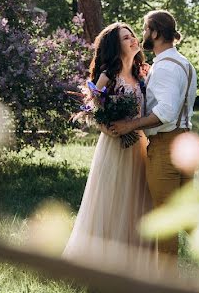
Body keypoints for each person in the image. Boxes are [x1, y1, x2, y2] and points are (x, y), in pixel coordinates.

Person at [61, 22, 157, 272]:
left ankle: (133, 263)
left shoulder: (142, 74)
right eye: (126, 38)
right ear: (117, 46)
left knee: (137, 199)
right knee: (112, 200)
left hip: (139, 145)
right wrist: (108, 128)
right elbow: (91, 109)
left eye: (133, 35)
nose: (133, 40)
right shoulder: (108, 75)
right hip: (114, 147)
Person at [107, 10, 197, 266]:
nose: (142, 34)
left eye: (146, 29)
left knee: (166, 217)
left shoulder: (166, 67)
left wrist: (129, 125)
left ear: (156, 32)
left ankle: (166, 289)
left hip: (167, 145)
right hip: (185, 143)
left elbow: (165, 113)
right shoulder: (184, 63)